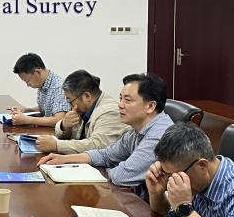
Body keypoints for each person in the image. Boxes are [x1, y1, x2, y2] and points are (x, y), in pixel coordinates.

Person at [39, 72, 172, 190]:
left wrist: (103, 169)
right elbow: (105, 155)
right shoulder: (136, 130)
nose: (120, 105)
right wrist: (65, 159)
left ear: (150, 106)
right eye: (120, 98)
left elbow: (121, 175)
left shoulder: (159, 136)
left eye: (127, 100)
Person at [35, 69, 127, 154]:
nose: (70, 105)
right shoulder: (83, 109)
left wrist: (57, 145)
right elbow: (69, 135)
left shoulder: (109, 111)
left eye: (70, 100)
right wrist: (64, 125)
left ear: (87, 96)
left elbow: (97, 146)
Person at [8, 53, 69, 127]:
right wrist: (26, 110)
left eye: (28, 81)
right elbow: (44, 109)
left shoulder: (59, 87)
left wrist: (26, 119)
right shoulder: (43, 84)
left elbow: (60, 120)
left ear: (38, 72)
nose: (28, 85)